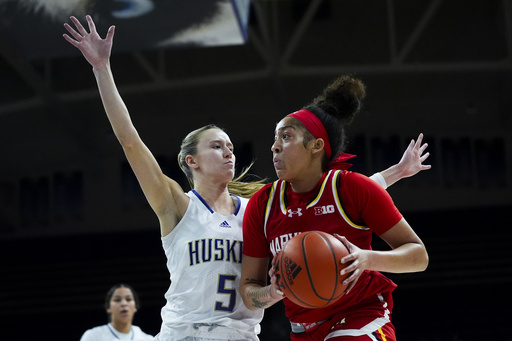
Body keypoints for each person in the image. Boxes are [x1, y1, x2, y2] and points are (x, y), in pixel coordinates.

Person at [63, 16, 429, 341]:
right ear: (191, 160)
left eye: (231, 146)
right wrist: (101, 68)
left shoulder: (257, 207)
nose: (229, 152)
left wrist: (396, 172)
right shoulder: (177, 206)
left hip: (240, 335)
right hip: (182, 334)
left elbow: (326, 200)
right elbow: (130, 141)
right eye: (217, 146)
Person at [239, 75, 429, 341]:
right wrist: (270, 292)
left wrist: (366, 259)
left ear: (316, 146)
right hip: (302, 331)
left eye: (286, 136)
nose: (274, 146)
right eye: (275, 138)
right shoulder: (263, 204)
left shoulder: (351, 189)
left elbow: (419, 256)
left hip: (361, 317)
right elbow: (249, 293)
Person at [80, 283, 154, 341]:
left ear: (135, 307)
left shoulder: (147, 338)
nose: (124, 304)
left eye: (129, 299)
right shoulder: (93, 336)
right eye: (117, 300)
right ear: (108, 308)